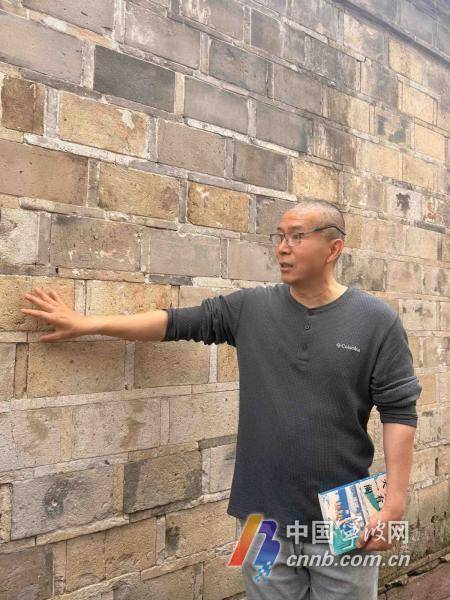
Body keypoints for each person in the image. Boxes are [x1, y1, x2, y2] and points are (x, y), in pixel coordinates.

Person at [20, 199, 421, 599]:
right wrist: (89, 323)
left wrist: (394, 504)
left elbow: (399, 411)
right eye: (280, 237)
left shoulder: (376, 321)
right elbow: (174, 323)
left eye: (297, 237)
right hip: (258, 518)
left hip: (345, 517)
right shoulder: (251, 308)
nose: (283, 248)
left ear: (333, 248)